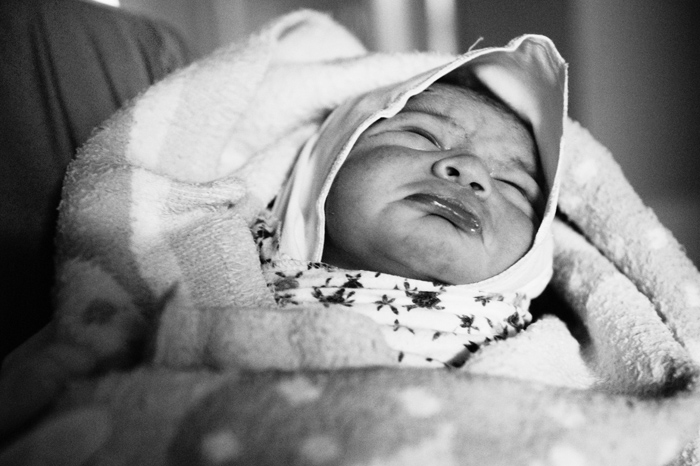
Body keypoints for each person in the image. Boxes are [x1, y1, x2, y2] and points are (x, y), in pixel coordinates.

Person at [253, 35, 567, 367]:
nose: (471, 170)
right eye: (423, 135)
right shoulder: (227, 290)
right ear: (319, 171)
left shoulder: (546, 363)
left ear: (535, 257)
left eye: (513, 184)